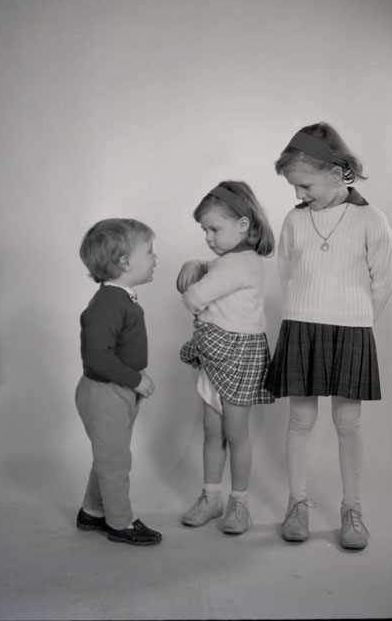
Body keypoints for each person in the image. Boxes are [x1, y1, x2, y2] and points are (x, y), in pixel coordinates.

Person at [264, 122, 392, 549]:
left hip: (351, 329)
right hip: (302, 324)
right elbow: (287, 272)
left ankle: (352, 509)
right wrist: (305, 310)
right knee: (300, 420)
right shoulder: (294, 220)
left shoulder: (370, 219)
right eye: (294, 187)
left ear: (337, 174)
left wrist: (357, 319)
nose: (298, 194)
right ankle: (297, 503)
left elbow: (384, 281)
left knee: (348, 423)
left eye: (304, 185)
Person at [176, 181, 275, 535]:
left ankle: (239, 502)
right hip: (216, 352)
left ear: (243, 225)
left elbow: (193, 298)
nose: (208, 237)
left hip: (236, 354)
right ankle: (211, 497)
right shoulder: (232, 260)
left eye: (214, 229)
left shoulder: (239, 265)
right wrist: (194, 262)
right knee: (212, 429)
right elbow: (213, 266)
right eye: (204, 230)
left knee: (234, 433)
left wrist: (193, 277)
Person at [74, 218, 162, 546]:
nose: (155, 257)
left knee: (109, 456)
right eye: (149, 251)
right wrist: (136, 379)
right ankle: (120, 523)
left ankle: (92, 511)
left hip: (118, 390)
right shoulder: (108, 303)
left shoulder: (120, 298)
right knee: (115, 462)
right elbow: (98, 357)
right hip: (105, 392)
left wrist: (134, 380)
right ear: (124, 262)